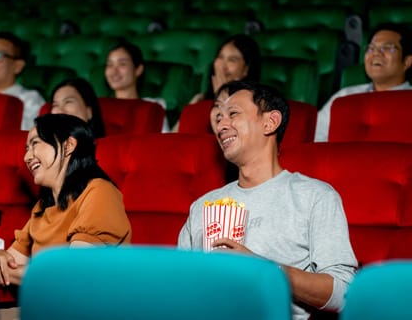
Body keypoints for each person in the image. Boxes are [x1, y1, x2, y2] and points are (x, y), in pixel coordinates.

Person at [177, 81, 358, 320]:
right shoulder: (202, 206)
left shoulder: (315, 197)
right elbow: (180, 288)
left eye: (233, 114)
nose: (221, 125)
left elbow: (344, 293)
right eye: (218, 117)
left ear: (270, 122)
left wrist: (266, 270)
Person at [0, 113, 131, 287]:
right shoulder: (43, 206)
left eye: (35, 143)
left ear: (68, 145)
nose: (26, 157)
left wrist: (8, 271)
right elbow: (8, 263)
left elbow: (72, 272)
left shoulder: (100, 192)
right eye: (26, 149)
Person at [315, 22, 412, 141]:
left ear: (407, 61)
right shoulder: (345, 96)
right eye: (371, 48)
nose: (376, 53)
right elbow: (316, 137)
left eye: (387, 48)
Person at [104, 39, 170, 132]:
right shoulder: (100, 108)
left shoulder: (152, 107)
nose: (114, 72)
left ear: (138, 69)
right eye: (109, 64)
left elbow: (167, 140)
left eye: (122, 64)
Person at [190, 33, 262, 104]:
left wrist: (221, 96)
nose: (223, 66)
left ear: (246, 69)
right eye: (220, 57)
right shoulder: (199, 100)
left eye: (232, 60)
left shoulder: (255, 103)